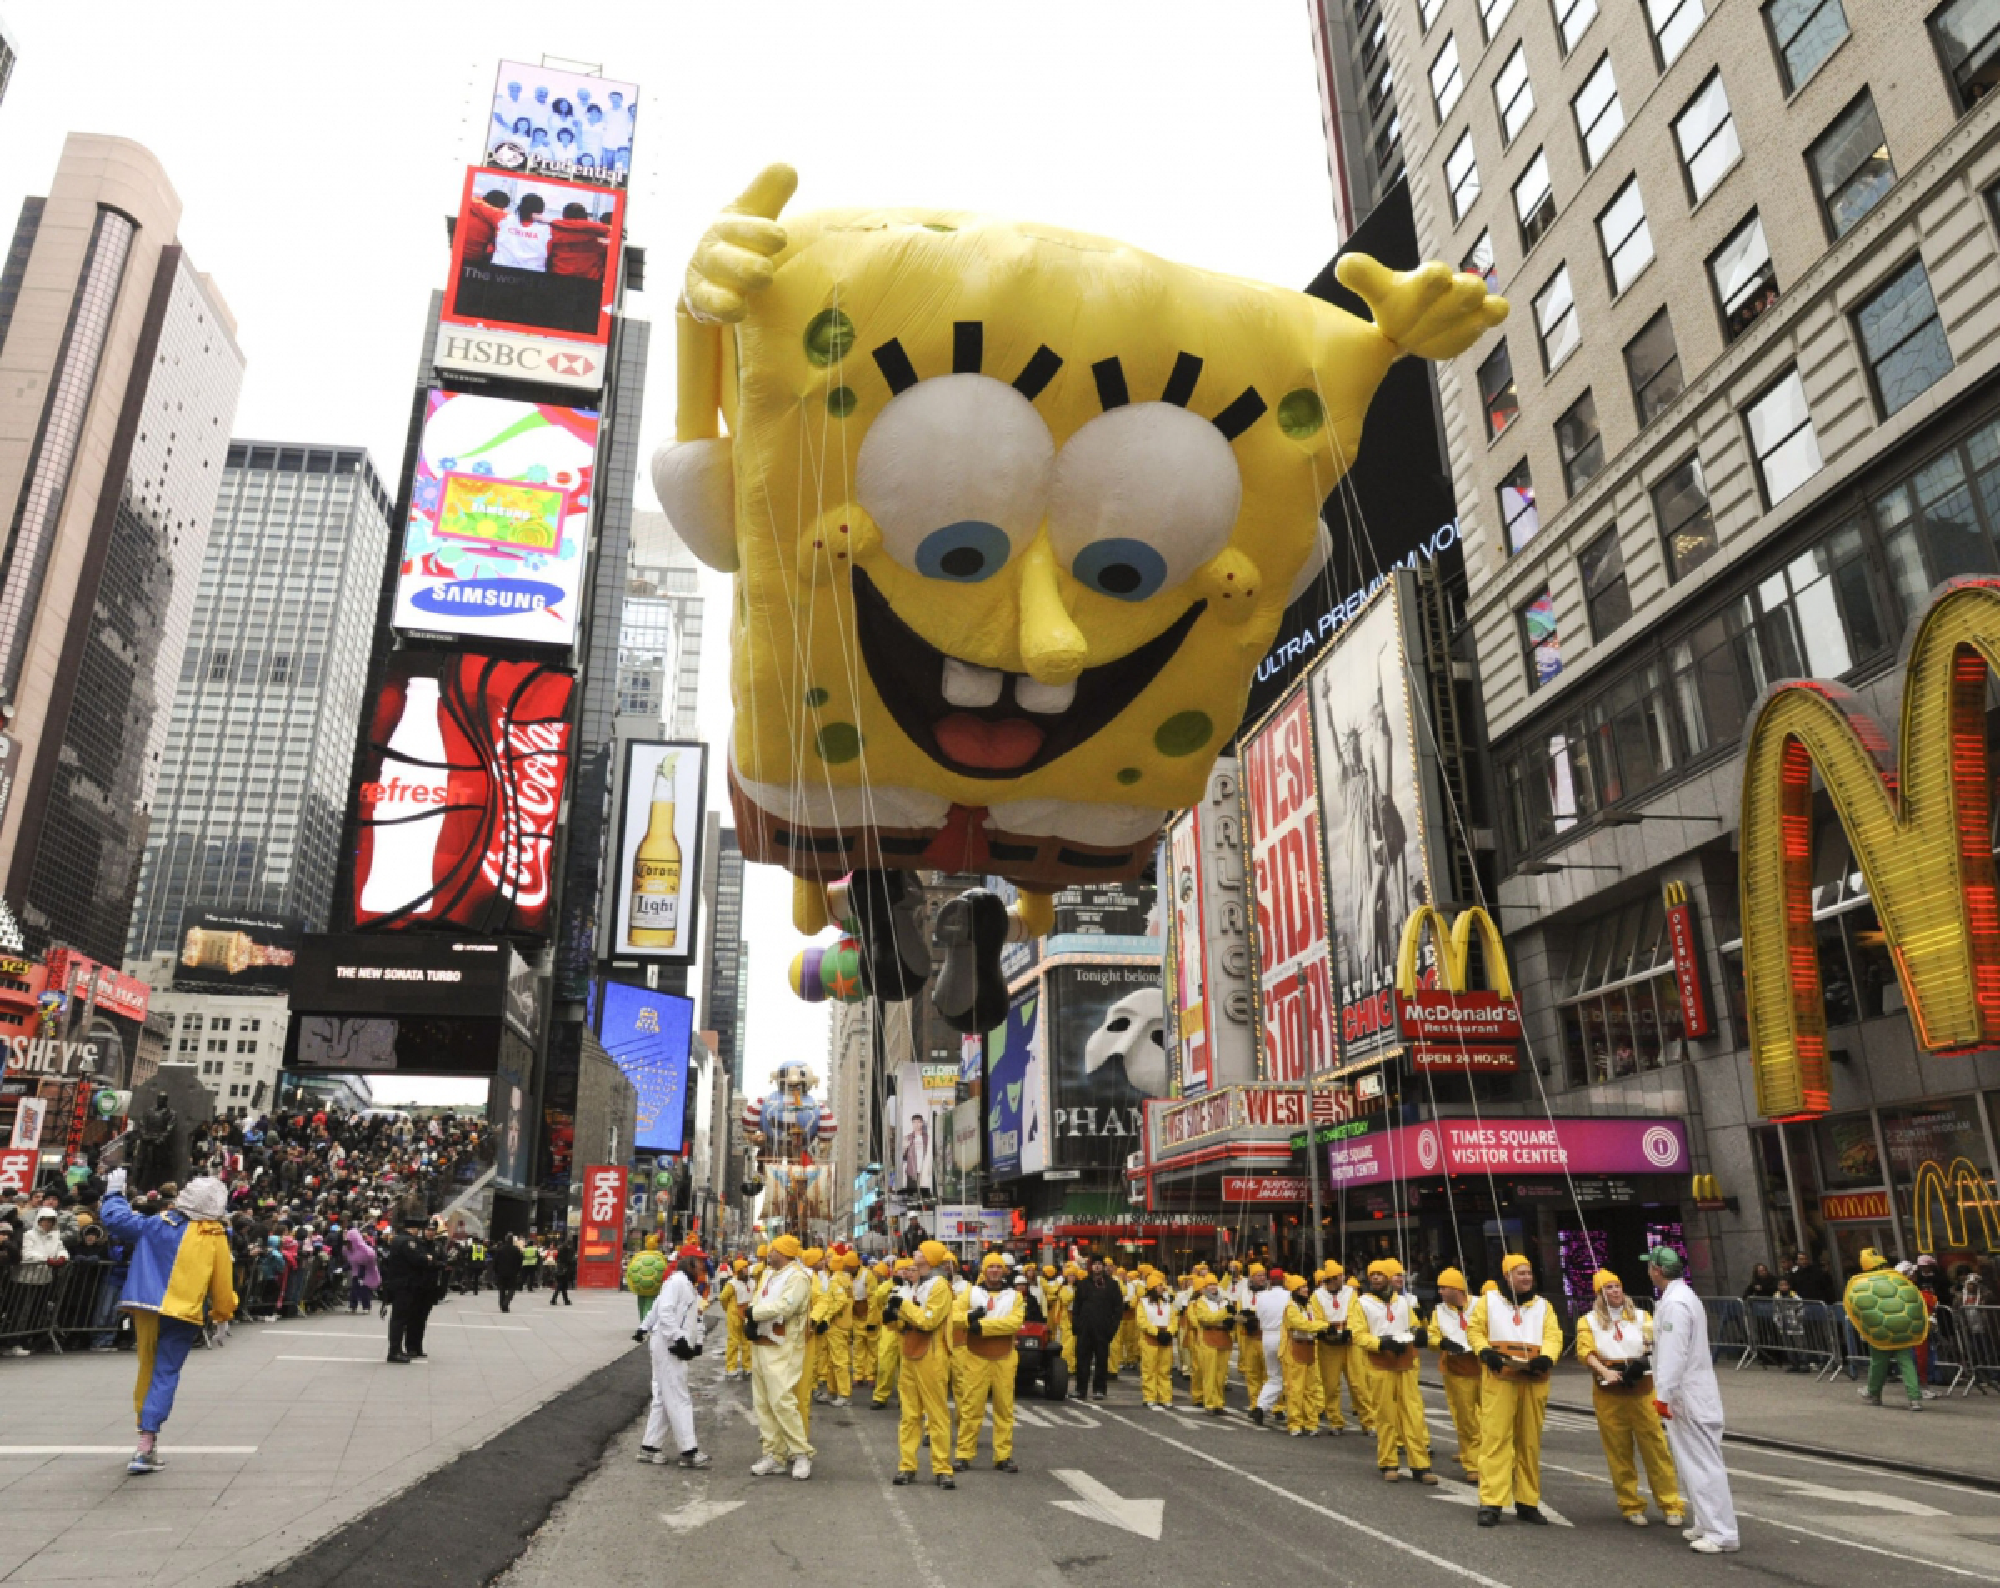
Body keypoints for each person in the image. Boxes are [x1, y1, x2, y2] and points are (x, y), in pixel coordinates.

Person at [95, 1168, 235, 1474]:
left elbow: (117, 1220)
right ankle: (147, 1440)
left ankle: (144, 1439)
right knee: (165, 1372)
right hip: (183, 1313)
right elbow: (223, 1284)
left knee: (147, 1365)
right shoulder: (215, 1236)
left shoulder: (160, 1223)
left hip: (147, 1307)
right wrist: (222, 1315)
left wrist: (114, 1192)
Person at [1576, 1269, 1685, 1528]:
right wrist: (1605, 1371)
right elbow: (1585, 1351)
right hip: (1609, 1392)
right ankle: (1630, 1504)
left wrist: (1643, 1360)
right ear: (1599, 1294)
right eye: (1608, 1288)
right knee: (1619, 1450)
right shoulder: (1588, 1321)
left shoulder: (1640, 1316)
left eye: (1617, 1286)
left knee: (1656, 1448)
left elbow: (1653, 1341)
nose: (1615, 1292)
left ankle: (1670, 1503)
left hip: (1642, 1389)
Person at [1649, 1245, 1739, 1554]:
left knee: (1702, 1463)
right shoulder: (1681, 1298)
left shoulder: (1675, 1304)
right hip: (1689, 1391)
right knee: (1692, 1462)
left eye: (1650, 1266)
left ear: (1657, 1271)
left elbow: (1674, 1353)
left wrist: (1662, 1394)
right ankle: (1706, 1521)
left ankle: (1721, 1532)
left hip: (1687, 1394)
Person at [1466, 1253, 1562, 1527]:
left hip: (1534, 1380)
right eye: (1520, 1273)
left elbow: (1553, 1336)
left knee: (1529, 1442)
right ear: (1507, 1276)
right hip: (1501, 1379)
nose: (1526, 1278)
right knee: (1496, 1440)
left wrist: (1548, 1357)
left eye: (1529, 1273)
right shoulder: (1489, 1301)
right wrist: (1485, 1353)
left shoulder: (1543, 1306)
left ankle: (1527, 1501)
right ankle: (1491, 1502)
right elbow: (1475, 1331)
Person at [1354, 1257, 1432, 1481]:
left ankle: (1421, 1465)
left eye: (1380, 1274)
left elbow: (1413, 1325)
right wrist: (1380, 1344)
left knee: (1413, 1414)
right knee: (1385, 1415)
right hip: (1379, 1364)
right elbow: (1358, 1334)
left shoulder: (1402, 1302)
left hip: (1405, 1362)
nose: (1376, 1278)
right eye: (1372, 1275)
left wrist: (1420, 1333)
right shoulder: (1362, 1303)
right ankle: (1389, 1463)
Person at [744, 1234, 815, 1480]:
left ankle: (801, 1454)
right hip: (762, 1343)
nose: (768, 1254)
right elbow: (757, 1299)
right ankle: (773, 1454)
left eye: (772, 1250)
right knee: (762, 1402)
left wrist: (754, 1313)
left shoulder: (798, 1278)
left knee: (782, 1400)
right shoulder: (768, 1274)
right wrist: (751, 1320)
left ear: (781, 1252)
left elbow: (787, 1306)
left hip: (784, 1347)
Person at [888, 1240, 956, 1487]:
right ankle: (907, 1466)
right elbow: (906, 1322)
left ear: (928, 1257)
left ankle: (943, 1468)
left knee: (936, 1415)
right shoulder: (915, 1285)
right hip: (910, 1352)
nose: (915, 1253)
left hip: (932, 1356)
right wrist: (892, 1318)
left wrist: (902, 1306)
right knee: (909, 1415)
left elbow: (928, 1321)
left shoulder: (940, 1287)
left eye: (919, 1251)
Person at [640, 1242, 713, 1469]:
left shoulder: (684, 1284)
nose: (703, 1266)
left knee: (664, 1396)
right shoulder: (678, 1283)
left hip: (669, 1344)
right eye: (699, 1262)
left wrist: (696, 1340)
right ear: (690, 1263)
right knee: (679, 1397)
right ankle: (689, 1450)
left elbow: (682, 1314)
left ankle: (650, 1447)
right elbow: (665, 1311)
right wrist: (679, 1338)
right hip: (669, 1346)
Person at [955, 1250, 1026, 1472]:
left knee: (1004, 1409)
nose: (994, 1271)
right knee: (971, 1407)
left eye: (998, 1267)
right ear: (984, 1270)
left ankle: (1003, 1455)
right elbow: (955, 1316)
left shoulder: (1015, 1296)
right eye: (990, 1267)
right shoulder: (971, 1292)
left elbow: (1014, 1323)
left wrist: (981, 1327)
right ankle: (964, 1454)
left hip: (1004, 1357)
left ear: (1003, 1270)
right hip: (975, 1357)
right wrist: (969, 1318)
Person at [1851, 1248, 1926, 1411]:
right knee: (1906, 1363)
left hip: (1880, 1330)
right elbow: (1912, 1297)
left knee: (1878, 1363)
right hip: (1903, 1327)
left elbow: (1859, 1307)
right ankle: (1914, 1398)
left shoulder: (1862, 1283)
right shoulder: (1897, 1278)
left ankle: (1874, 1393)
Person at [1428, 1267, 1482, 1483]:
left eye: (1444, 1287)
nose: (1440, 1291)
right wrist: (1441, 1342)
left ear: (1457, 1288)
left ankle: (1498, 1460)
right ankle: (1472, 1463)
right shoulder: (1439, 1311)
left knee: (1491, 1419)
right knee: (1466, 1418)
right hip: (1457, 1371)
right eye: (1439, 1287)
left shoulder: (1481, 1305)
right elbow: (1432, 1335)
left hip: (1484, 1368)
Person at [1311, 1260, 1366, 1434]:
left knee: (1358, 1383)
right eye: (1340, 1276)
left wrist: (1349, 1331)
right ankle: (1335, 1421)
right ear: (1332, 1278)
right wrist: (1326, 1331)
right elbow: (1317, 1318)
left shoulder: (1350, 1293)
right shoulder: (1317, 1296)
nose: (1343, 1279)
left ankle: (1368, 1421)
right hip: (1329, 1345)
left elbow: (1354, 1313)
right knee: (1331, 1385)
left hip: (1349, 1343)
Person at [380, 1211, 438, 1364]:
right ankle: (394, 1351)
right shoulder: (407, 1241)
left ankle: (397, 1349)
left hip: (400, 1284)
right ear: (413, 1228)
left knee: (400, 1319)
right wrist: (427, 1258)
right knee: (399, 1319)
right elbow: (416, 1259)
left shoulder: (398, 1239)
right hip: (404, 1285)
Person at [1069, 1255, 1121, 1401]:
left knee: (1101, 1360)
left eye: (1100, 1264)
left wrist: (1111, 1329)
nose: (1097, 1266)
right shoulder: (1083, 1284)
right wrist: (1077, 1325)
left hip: (1102, 1329)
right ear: (1090, 1266)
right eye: (1095, 1264)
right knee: (1082, 1360)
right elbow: (1077, 1306)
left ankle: (1099, 1389)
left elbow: (1118, 1309)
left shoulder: (1112, 1285)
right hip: (1085, 1329)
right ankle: (1081, 1389)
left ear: (1103, 1266)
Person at [1250, 1266, 1295, 1427]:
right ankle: (1295, 1412)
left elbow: (1257, 1315)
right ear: (1283, 1280)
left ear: (1270, 1280)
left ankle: (1261, 1407)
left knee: (1274, 1376)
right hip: (1283, 1336)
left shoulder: (1261, 1296)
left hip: (1266, 1336)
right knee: (1291, 1376)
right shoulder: (1289, 1295)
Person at [1188, 1273, 1234, 1414]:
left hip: (1224, 1338)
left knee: (1221, 1375)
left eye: (1215, 1284)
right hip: (1208, 1339)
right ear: (1205, 1287)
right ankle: (1209, 1403)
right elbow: (1206, 1318)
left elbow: (1229, 1316)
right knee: (1209, 1373)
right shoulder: (1201, 1302)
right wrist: (1225, 1313)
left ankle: (1219, 1404)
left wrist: (1231, 1320)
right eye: (1210, 1285)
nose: (1213, 1287)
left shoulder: (1224, 1300)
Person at [1136, 1267, 1177, 1409]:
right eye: (1160, 1286)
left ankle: (1165, 1398)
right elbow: (1142, 1321)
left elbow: (1174, 1319)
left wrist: (1170, 1332)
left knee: (1165, 1370)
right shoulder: (1143, 1303)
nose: (1163, 1288)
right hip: (1150, 1340)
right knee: (1149, 1370)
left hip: (1166, 1339)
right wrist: (1157, 1332)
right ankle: (1149, 1397)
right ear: (1153, 1287)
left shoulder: (1167, 1303)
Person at [493, 194, 551, 272]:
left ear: (521, 206)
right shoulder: (548, 228)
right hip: (532, 273)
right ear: (541, 210)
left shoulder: (503, 218)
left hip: (500, 270)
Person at [457, 189, 510, 266]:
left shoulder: (468, 205)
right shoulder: (495, 220)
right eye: (503, 208)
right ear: (499, 207)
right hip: (471, 261)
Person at [723, 1257, 752, 1380]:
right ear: (739, 1270)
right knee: (733, 1342)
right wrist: (729, 1310)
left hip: (747, 1315)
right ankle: (731, 1368)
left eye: (747, 1267)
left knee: (748, 1342)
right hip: (734, 1316)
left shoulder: (751, 1282)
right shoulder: (732, 1284)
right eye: (744, 1268)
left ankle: (747, 1367)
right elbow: (723, 1297)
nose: (747, 1270)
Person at [344, 1224, 379, 1314]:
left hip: (365, 1272)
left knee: (364, 1290)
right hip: (356, 1272)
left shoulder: (365, 1249)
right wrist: (344, 1268)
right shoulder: (349, 1248)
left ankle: (366, 1306)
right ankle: (353, 1306)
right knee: (354, 1289)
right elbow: (350, 1261)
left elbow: (369, 1260)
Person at [492, 1234, 524, 1313]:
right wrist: (518, 1270)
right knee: (511, 1289)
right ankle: (506, 1302)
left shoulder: (500, 1249)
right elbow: (520, 1261)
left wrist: (496, 1271)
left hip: (501, 1272)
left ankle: (502, 1303)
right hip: (512, 1273)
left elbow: (495, 1261)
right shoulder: (516, 1250)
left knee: (502, 1289)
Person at [549, 1236, 577, 1306]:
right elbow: (570, 1260)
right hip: (565, 1269)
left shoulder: (559, 1249)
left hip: (559, 1268)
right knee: (561, 1285)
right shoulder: (569, 1250)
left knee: (563, 1285)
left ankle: (565, 1300)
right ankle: (554, 1299)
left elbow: (556, 1258)